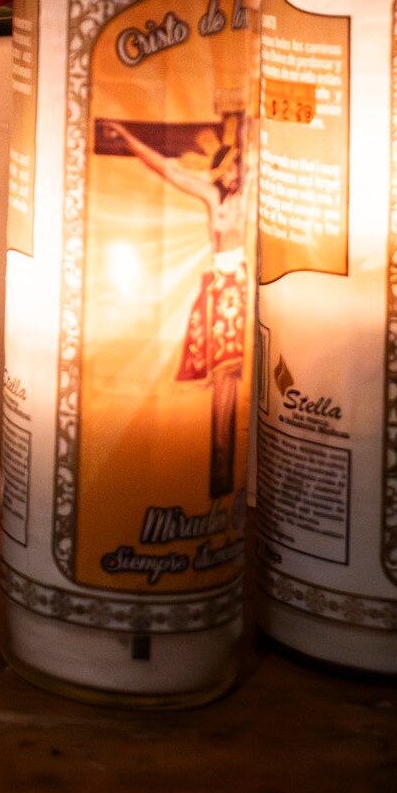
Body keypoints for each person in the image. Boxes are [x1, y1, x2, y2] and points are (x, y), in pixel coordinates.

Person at [98, 107, 250, 500]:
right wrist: (127, 137)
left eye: (236, 169)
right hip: (219, 287)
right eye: (226, 173)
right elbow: (167, 169)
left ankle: (231, 466)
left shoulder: (249, 196)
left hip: (241, 287)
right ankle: (217, 463)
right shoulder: (211, 196)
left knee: (238, 375)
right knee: (221, 379)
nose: (231, 177)